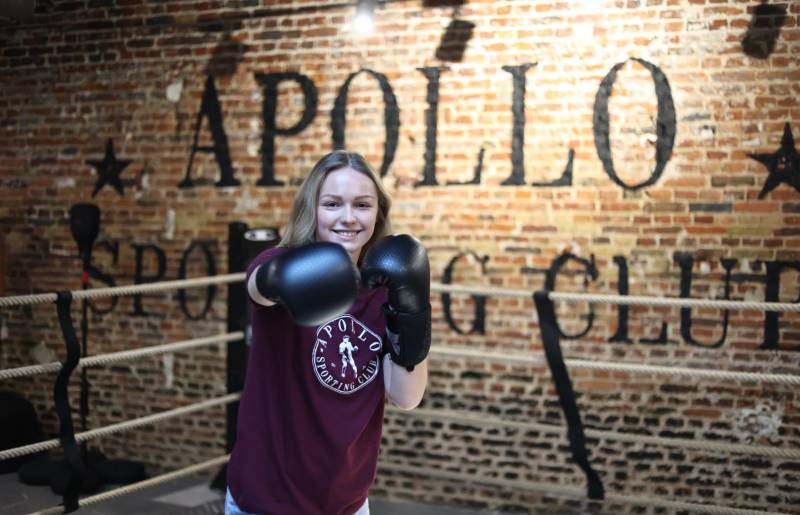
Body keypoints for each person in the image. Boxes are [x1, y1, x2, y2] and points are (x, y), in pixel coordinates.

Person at [226, 150, 431, 515]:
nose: (348, 218)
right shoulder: (280, 262)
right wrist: (279, 278)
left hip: (348, 503)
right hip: (268, 501)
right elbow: (257, 286)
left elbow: (406, 397)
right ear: (313, 210)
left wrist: (411, 309)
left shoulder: (386, 288)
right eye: (333, 204)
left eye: (363, 205)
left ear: (377, 212)